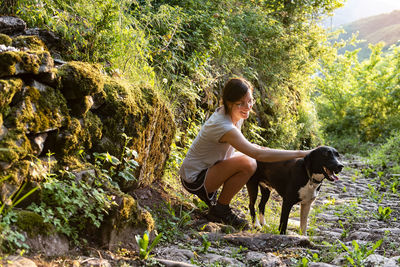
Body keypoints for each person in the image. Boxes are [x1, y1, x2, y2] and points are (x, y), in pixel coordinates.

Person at [179, 77, 311, 229]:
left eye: (250, 101)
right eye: (240, 103)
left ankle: (218, 206)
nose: (247, 107)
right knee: (249, 162)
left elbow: (247, 147)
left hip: (209, 168)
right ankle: (221, 209)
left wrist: (260, 149)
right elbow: (257, 155)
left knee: (252, 156)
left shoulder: (235, 115)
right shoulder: (223, 125)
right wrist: (300, 153)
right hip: (194, 178)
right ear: (228, 102)